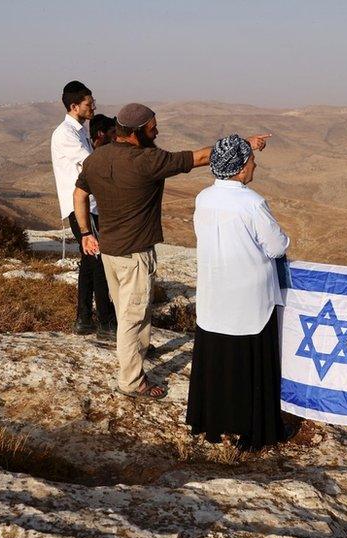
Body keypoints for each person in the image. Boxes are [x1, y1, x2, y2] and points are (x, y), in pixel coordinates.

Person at [73, 103, 270, 400]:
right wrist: (244, 144)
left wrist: (87, 233)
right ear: (137, 133)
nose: (157, 131)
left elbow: (79, 194)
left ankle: (136, 355)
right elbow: (203, 156)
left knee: (129, 312)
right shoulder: (149, 160)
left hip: (109, 252)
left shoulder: (98, 156)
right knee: (133, 317)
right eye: (152, 128)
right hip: (135, 255)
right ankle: (131, 381)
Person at [187, 134, 293, 451]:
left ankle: (213, 423)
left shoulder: (203, 198)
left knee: (218, 361)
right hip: (250, 299)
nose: (254, 163)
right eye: (250, 159)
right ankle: (254, 430)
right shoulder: (252, 203)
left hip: (214, 292)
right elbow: (277, 245)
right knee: (252, 365)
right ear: (239, 167)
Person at [50, 80, 116, 336]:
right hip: (81, 208)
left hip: (90, 206)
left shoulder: (78, 131)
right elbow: (91, 164)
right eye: (89, 103)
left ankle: (84, 319)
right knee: (99, 261)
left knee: (89, 263)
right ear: (74, 105)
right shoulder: (65, 134)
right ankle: (106, 323)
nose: (93, 107)